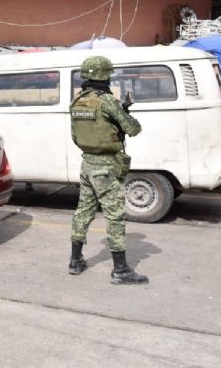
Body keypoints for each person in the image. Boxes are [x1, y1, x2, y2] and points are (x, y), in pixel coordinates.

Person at [68, 56, 148, 285]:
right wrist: (124, 113)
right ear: (104, 76)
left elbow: (76, 135)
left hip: (87, 164)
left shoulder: (77, 101)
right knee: (115, 215)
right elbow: (133, 129)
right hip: (105, 167)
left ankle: (75, 261)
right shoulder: (107, 101)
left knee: (83, 211)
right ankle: (121, 270)